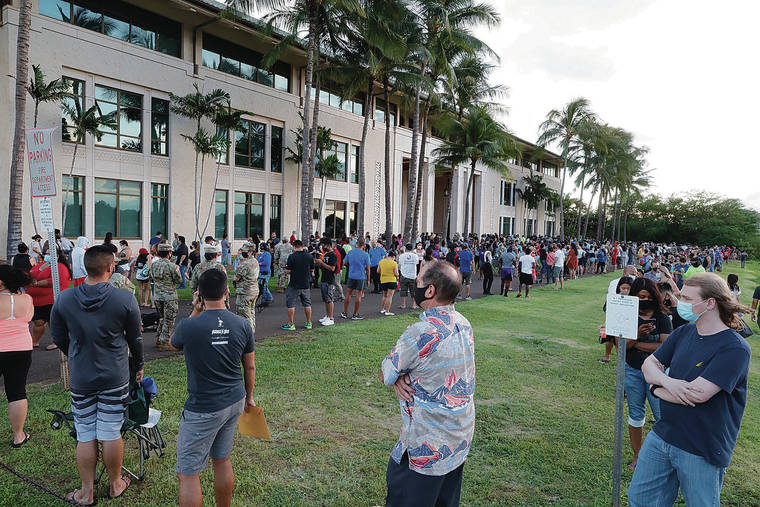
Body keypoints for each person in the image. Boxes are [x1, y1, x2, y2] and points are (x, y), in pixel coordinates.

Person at [629, 273, 752, 506]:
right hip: (663, 434)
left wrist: (654, 387)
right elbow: (649, 364)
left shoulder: (735, 348)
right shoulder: (684, 332)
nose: (677, 301)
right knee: (641, 498)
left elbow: (696, 395)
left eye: (686, 297)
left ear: (710, 303)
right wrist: (669, 383)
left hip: (701, 446)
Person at [50, 245, 144, 505]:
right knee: (111, 431)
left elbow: (57, 336)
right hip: (114, 374)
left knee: (85, 432)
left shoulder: (65, 299)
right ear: (110, 267)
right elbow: (135, 339)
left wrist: (76, 354)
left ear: (84, 268)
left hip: (82, 376)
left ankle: (86, 492)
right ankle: (115, 484)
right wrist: (138, 365)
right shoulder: (124, 299)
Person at [380, 261, 474, 507]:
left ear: (430, 291)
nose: (415, 284)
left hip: (426, 445)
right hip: (459, 437)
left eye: (419, 281)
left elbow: (387, 372)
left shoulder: (420, 332)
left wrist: (397, 377)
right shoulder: (464, 323)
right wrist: (402, 377)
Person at [170, 269, 256, 507]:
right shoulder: (242, 324)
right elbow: (249, 368)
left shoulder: (189, 326)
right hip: (235, 401)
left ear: (198, 294)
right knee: (222, 460)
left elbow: (173, 344)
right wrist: (249, 398)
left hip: (204, 407)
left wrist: (196, 311)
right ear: (227, 292)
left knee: (188, 473)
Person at [622, 277, 672, 470]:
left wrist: (634, 342)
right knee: (635, 415)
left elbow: (664, 347)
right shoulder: (627, 314)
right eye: (641, 296)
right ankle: (638, 455)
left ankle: (664, 457)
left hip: (658, 374)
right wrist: (637, 336)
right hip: (632, 370)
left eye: (649, 296)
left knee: (662, 415)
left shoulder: (662, 318)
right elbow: (621, 346)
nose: (644, 300)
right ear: (634, 296)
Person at [0, 265, 34, 448]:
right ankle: (18, 435)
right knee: (17, 391)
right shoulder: (27, 299)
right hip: (21, 349)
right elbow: (28, 318)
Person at [27, 254, 71, 350]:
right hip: (38, 302)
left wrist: (37, 283)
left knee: (53, 322)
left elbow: (55, 281)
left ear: (57, 255)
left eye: (49, 252)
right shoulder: (44, 264)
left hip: (51, 300)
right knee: (38, 322)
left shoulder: (60, 266)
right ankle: (34, 341)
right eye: (46, 253)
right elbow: (31, 273)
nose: (47, 255)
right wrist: (38, 270)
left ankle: (57, 342)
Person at [150, 243, 181, 351]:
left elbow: (151, 278)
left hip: (158, 295)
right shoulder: (173, 266)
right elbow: (178, 280)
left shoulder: (154, 265)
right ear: (169, 253)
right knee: (169, 319)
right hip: (169, 296)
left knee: (162, 317)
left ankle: (159, 338)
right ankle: (165, 342)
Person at [599, 276, 634, 363]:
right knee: (610, 339)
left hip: (627, 324)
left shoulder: (634, 300)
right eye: (623, 288)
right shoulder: (614, 298)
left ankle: (622, 361)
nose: (625, 291)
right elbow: (607, 309)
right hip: (614, 322)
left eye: (628, 288)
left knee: (621, 343)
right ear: (619, 287)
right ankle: (607, 356)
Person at [281, 240, 314, 330]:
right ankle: (309, 322)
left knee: (291, 304)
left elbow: (288, 271)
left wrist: (286, 270)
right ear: (302, 246)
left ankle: (291, 324)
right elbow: (312, 269)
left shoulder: (292, 256)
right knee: (307, 304)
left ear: (294, 246)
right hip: (305, 284)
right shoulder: (309, 256)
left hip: (294, 284)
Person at [341, 238, 370, 320]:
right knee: (358, 295)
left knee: (348, 293)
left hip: (351, 275)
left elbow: (345, 262)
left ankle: (345, 312)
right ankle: (355, 314)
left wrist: (350, 265)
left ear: (356, 244)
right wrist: (368, 279)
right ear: (364, 245)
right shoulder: (365, 255)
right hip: (360, 276)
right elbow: (368, 268)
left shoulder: (350, 252)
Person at [233, 243, 260, 333]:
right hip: (254, 290)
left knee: (244, 313)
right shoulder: (255, 261)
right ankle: (252, 330)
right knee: (251, 312)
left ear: (250, 252)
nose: (242, 253)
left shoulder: (245, 264)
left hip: (245, 291)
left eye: (244, 251)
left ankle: (248, 333)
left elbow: (236, 277)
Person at [314, 238, 338, 326]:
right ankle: (327, 315)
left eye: (324, 245)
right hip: (324, 278)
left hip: (329, 280)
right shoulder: (326, 254)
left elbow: (332, 268)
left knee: (329, 299)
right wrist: (319, 263)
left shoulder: (333, 255)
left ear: (328, 245)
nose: (323, 247)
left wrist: (322, 263)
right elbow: (324, 267)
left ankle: (331, 318)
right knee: (326, 299)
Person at [397, 243, 419, 310]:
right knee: (413, 291)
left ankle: (403, 305)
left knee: (403, 290)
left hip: (404, 274)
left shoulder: (402, 256)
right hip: (413, 275)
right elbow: (417, 263)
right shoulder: (415, 256)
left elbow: (400, 264)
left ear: (405, 248)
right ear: (412, 248)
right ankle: (414, 305)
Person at [378, 250, 399, 316]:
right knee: (389, 296)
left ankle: (382, 309)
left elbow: (378, 271)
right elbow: (396, 273)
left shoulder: (381, 262)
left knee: (384, 295)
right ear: (393, 257)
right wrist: (397, 276)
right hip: (391, 280)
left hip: (383, 280)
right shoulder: (394, 263)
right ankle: (387, 311)